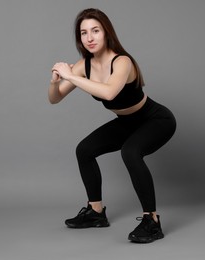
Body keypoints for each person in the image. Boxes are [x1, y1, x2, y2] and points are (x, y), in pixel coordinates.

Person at [48, 8, 176, 243]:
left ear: (106, 32)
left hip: (156, 119)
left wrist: (71, 76)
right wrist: (55, 80)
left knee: (131, 152)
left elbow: (109, 92)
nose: (90, 38)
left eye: (95, 30)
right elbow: (54, 99)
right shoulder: (83, 65)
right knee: (84, 150)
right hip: (127, 122)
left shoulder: (122, 61)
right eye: (84, 33)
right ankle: (95, 213)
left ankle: (152, 221)